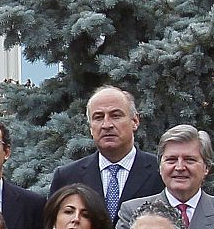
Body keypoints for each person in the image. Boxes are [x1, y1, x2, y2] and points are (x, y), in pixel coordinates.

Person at [49, 86, 162, 220]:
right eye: (98, 117)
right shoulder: (67, 177)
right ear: (90, 127)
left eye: (115, 116)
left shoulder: (160, 172)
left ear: (135, 121)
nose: (107, 124)